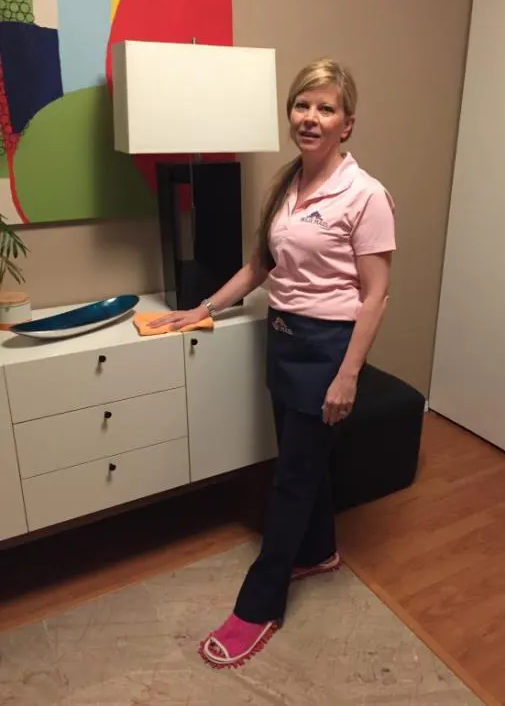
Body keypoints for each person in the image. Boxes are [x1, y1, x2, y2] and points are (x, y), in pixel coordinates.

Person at [148, 57, 396, 668]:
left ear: (348, 123)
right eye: (302, 105)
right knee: (300, 462)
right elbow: (262, 267)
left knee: (289, 480)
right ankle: (320, 552)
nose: (311, 118)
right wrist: (201, 308)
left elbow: (376, 294)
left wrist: (347, 375)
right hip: (283, 341)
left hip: (326, 350)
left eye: (326, 107)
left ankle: (259, 605)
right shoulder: (289, 183)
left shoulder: (365, 195)